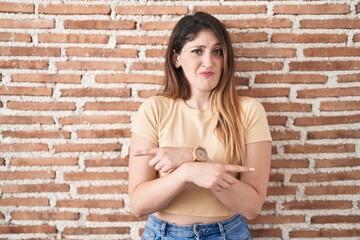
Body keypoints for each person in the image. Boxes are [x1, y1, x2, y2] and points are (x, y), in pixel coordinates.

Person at [129, 11, 272, 240]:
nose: (209, 61)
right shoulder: (154, 109)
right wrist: (187, 171)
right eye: (197, 51)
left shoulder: (249, 111)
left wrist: (197, 158)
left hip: (228, 233)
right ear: (176, 58)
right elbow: (138, 204)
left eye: (217, 51)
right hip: (164, 234)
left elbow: (251, 207)